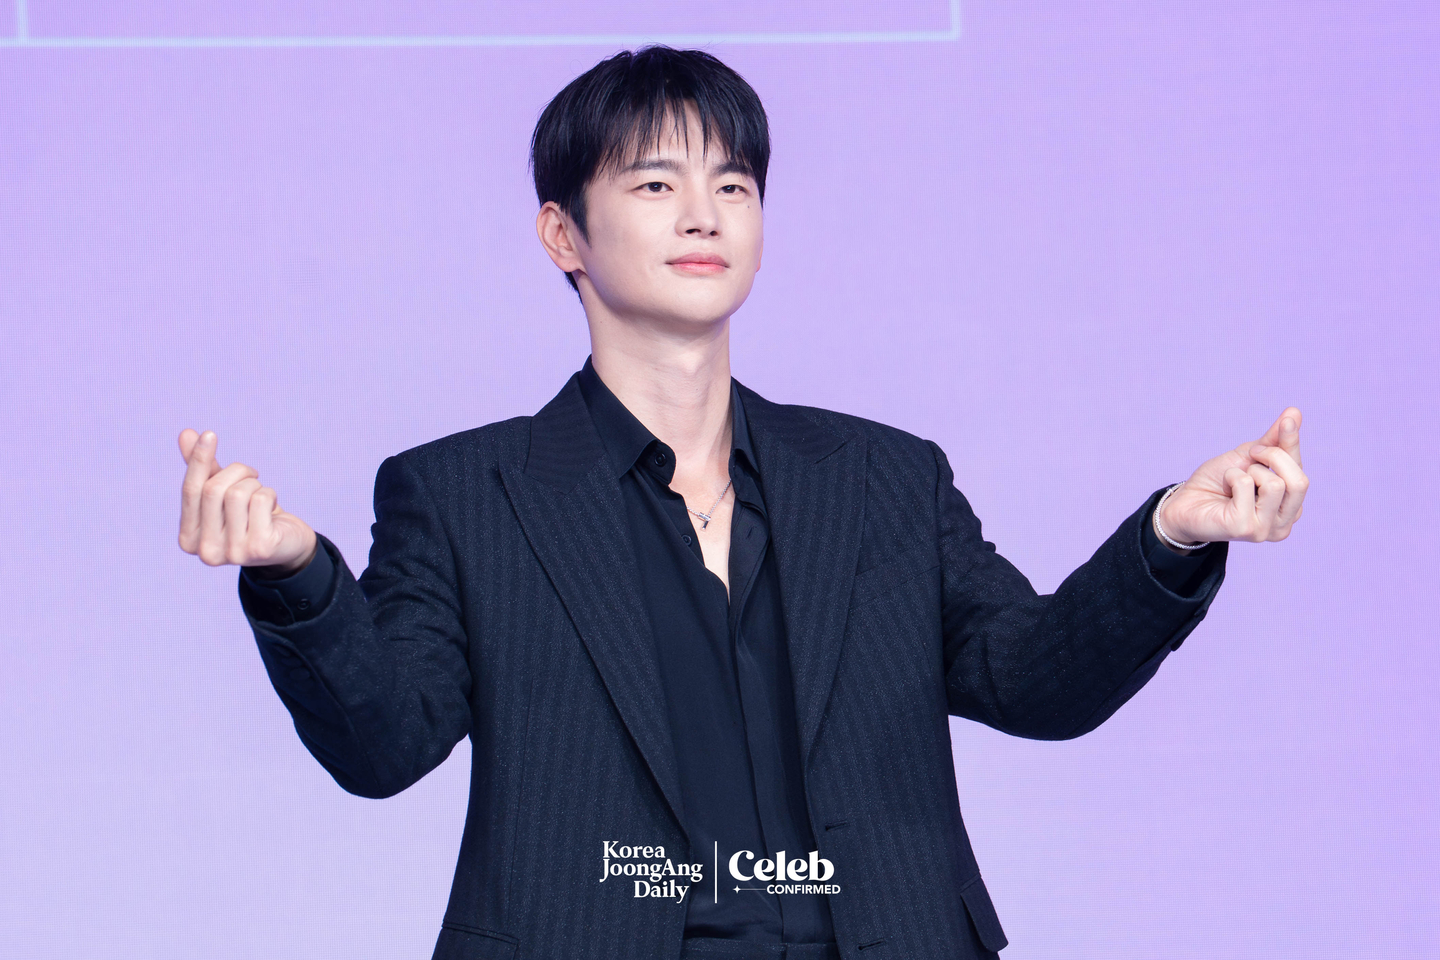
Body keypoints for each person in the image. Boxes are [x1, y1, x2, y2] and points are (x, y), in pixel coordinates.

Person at [174, 46, 1307, 960]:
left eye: (733, 185)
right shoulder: (470, 494)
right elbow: (385, 743)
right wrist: (295, 576)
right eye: (655, 184)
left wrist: (1173, 534)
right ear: (562, 233)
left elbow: (1034, 679)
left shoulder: (880, 478)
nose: (703, 214)